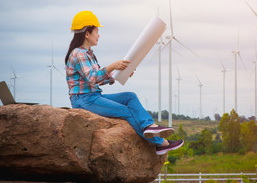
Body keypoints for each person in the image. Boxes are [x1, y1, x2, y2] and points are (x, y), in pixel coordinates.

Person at [65, 11, 184, 155]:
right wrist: (113, 66)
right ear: (87, 34)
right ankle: (161, 143)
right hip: (83, 100)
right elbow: (92, 78)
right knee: (125, 111)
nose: (99, 35)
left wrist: (120, 73)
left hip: (93, 96)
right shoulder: (78, 54)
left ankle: (150, 126)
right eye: (97, 31)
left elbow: (98, 80)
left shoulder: (88, 54)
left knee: (130, 96)